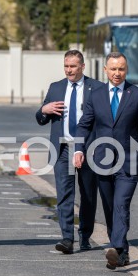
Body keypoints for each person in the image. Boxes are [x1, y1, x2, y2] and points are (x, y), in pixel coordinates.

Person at [73, 52, 138, 269]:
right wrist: (78, 149)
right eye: (113, 69)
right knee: (109, 209)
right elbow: (84, 125)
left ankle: (116, 247)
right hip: (102, 161)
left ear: (126, 70)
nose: (117, 73)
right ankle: (123, 252)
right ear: (105, 70)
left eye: (121, 69)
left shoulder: (136, 95)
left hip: (128, 162)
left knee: (121, 204)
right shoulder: (95, 95)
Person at [35, 50, 103, 254]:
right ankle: (66, 238)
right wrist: (43, 110)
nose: (68, 70)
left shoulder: (97, 88)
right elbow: (41, 118)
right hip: (62, 149)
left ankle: (85, 235)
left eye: (73, 66)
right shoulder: (56, 88)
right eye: (66, 66)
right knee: (64, 195)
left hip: (87, 149)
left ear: (82, 66)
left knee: (88, 196)